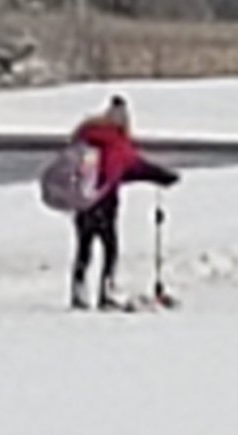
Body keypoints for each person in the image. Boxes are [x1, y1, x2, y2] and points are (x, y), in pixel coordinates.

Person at [69, 95, 179, 310]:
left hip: (82, 202)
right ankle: (106, 292)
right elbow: (134, 168)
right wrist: (163, 177)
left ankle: (78, 291)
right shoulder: (117, 144)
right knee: (110, 249)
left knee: (84, 248)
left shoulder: (84, 138)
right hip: (105, 204)